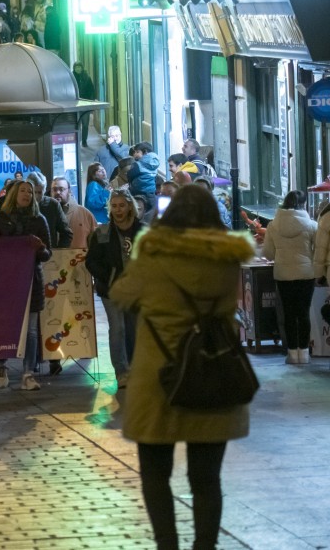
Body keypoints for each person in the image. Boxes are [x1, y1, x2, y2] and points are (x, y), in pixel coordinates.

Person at [108, 184, 255, 550]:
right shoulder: (227, 258)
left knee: (155, 474)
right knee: (207, 479)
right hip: (213, 371)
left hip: (159, 377)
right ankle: (205, 545)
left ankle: (167, 545)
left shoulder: (153, 255)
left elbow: (121, 295)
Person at [0, 181, 51, 391]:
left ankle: (28, 373)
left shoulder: (39, 220)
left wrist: (40, 247)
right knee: (5, 325)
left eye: (30, 191)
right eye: (22, 190)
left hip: (32, 280)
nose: (27, 194)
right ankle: (2, 366)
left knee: (31, 331)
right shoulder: (0, 219)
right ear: (14, 194)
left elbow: (47, 254)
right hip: (5, 281)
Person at [85, 189, 143, 389]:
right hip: (111, 289)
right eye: (114, 206)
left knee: (134, 329)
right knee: (117, 328)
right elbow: (91, 261)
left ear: (129, 206)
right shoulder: (102, 232)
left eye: (122, 205)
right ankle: (121, 371)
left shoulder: (143, 230)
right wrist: (109, 278)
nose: (118, 210)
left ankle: (135, 368)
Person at [261, 189, 317, 364]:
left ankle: (292, 353)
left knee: (289, 313)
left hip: (283, 274)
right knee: (304, 312)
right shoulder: (311, 225)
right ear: (303, 204)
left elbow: (268, 253)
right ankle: (304, 354)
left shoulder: (273, 225)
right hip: (306, 274)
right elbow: (318, 250)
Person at [51, 176, 96, 248]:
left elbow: (95, 244)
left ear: (69, 191)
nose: (58, 192)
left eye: (61, 189)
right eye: (54, 189)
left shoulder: (85, 214)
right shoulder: (45, 214)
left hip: (79, 258)